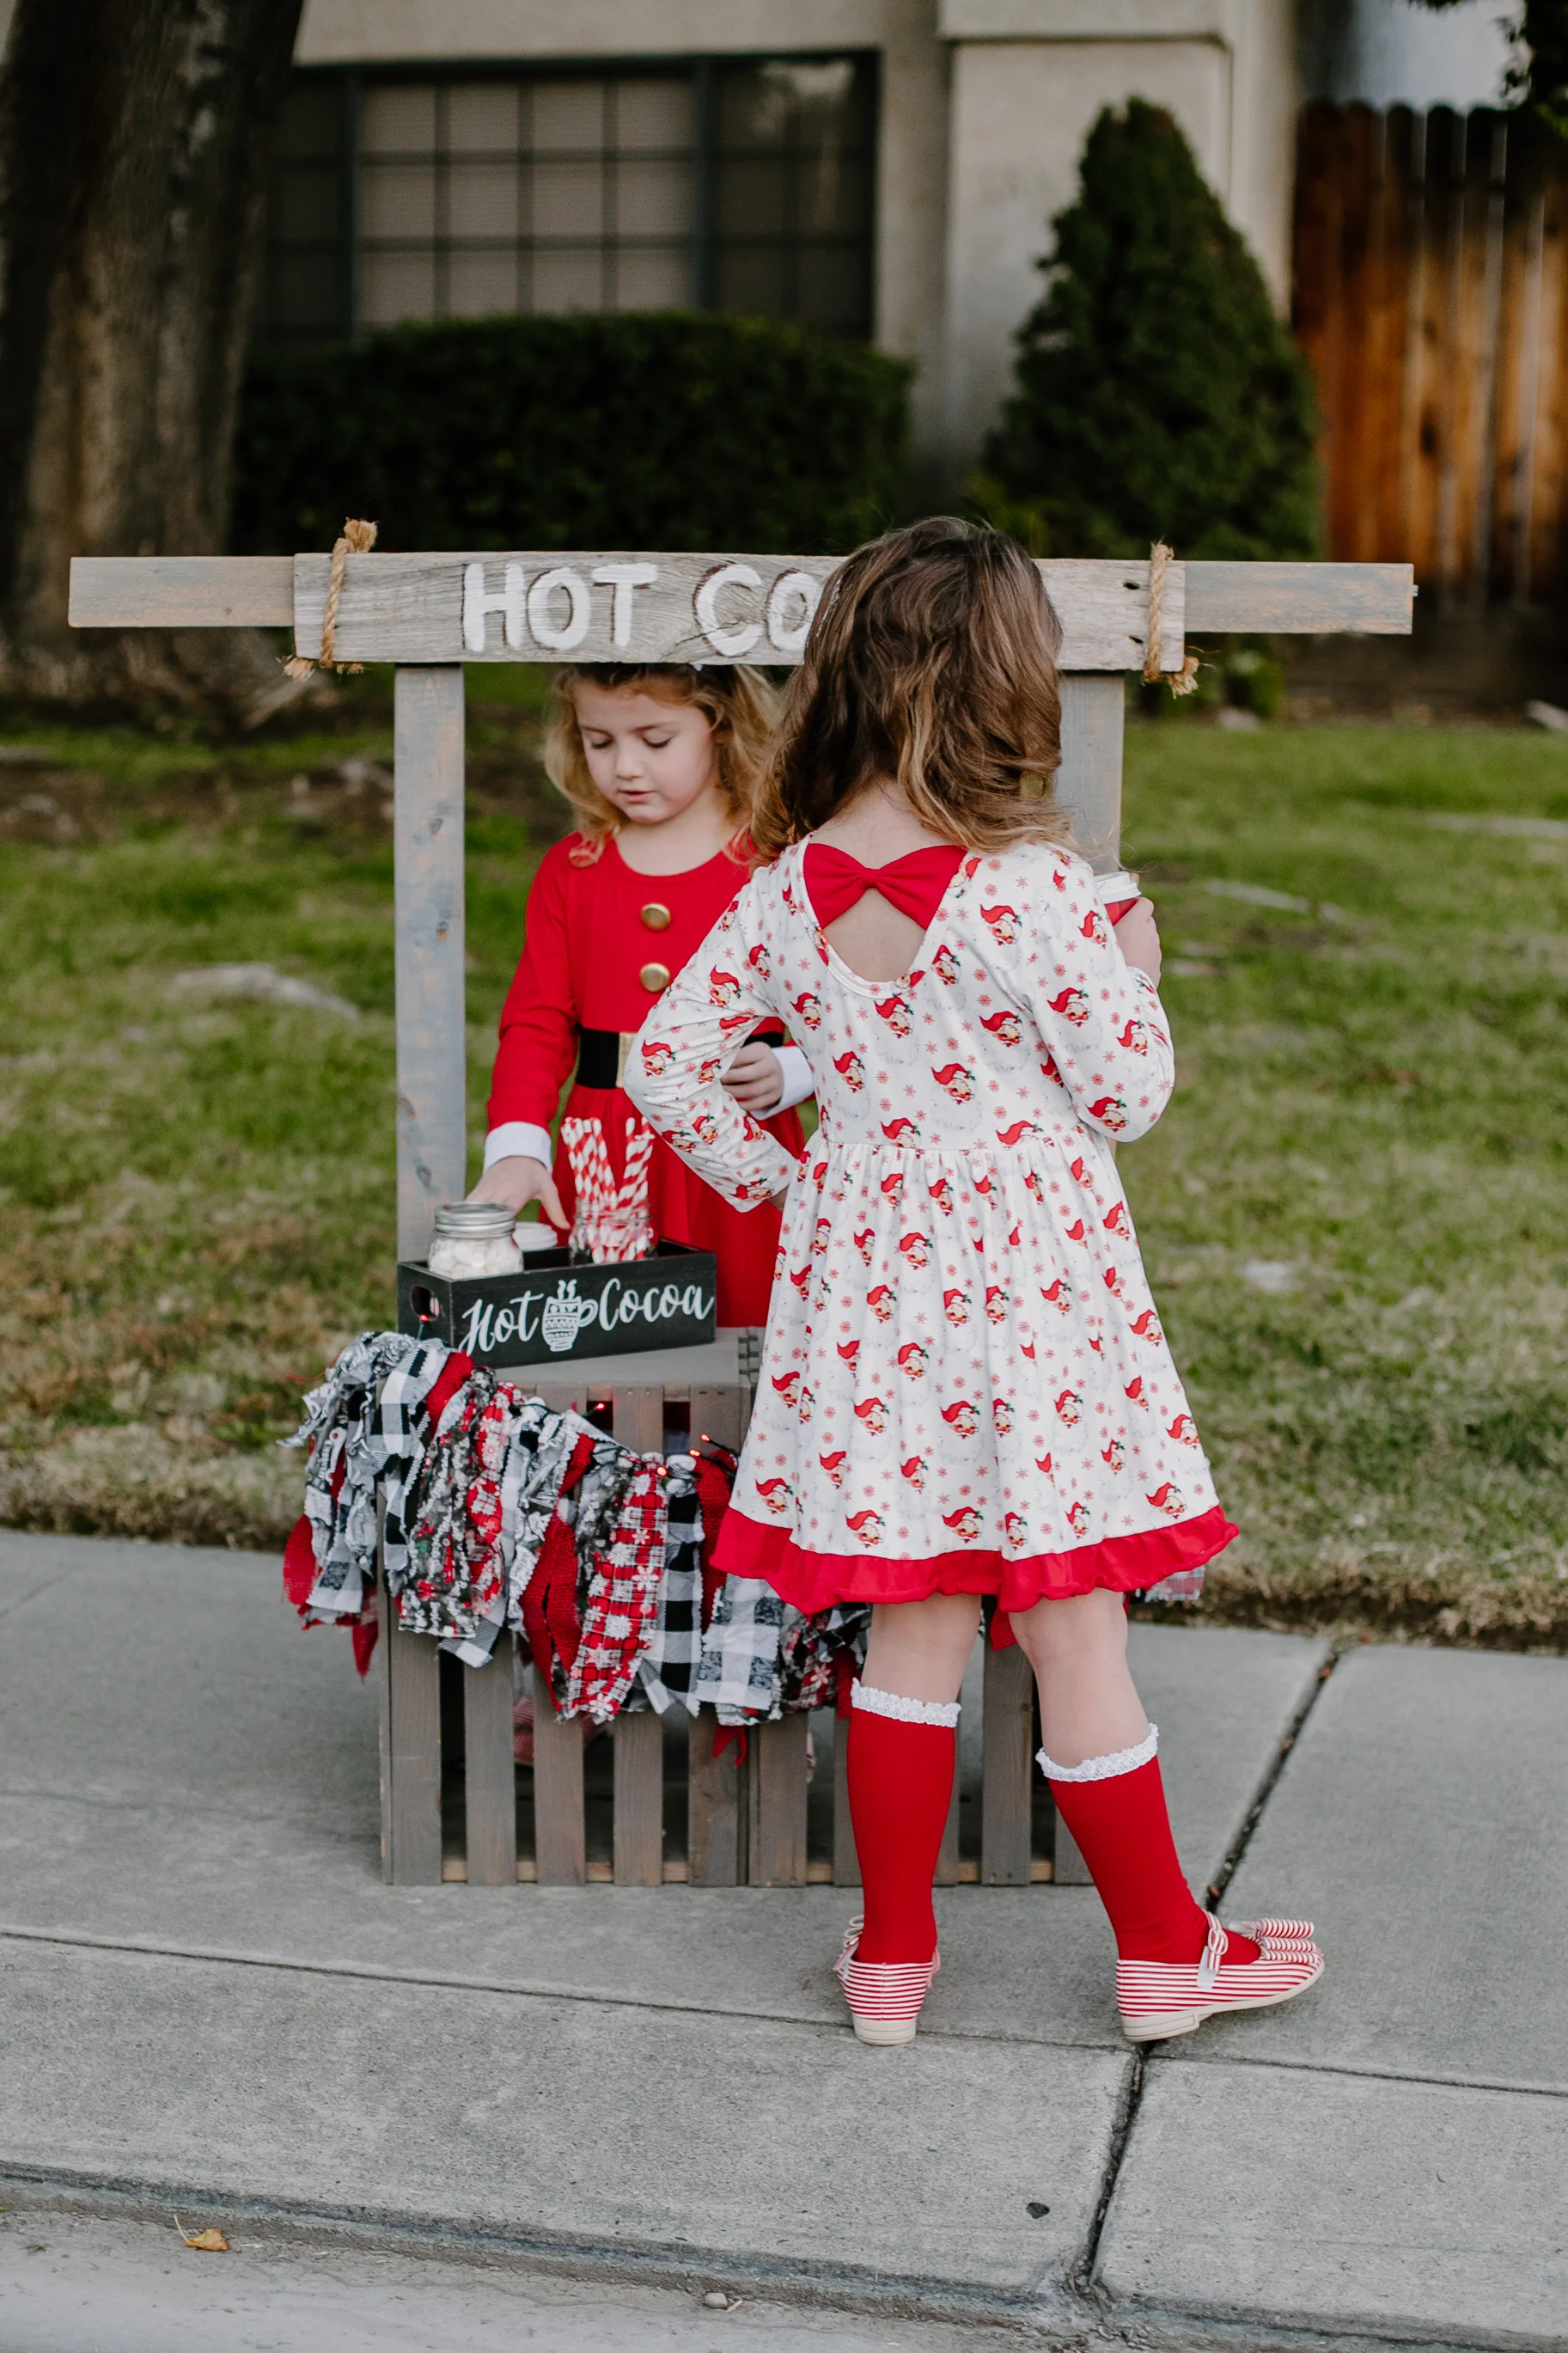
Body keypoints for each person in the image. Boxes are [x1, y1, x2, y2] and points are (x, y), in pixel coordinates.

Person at [627, 519, 1323, 2045]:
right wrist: (1134, 959)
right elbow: (1129, 1092)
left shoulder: (787, 883)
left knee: (914, 1623)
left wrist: (788, 1172)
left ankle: (889, 1956)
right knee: (1072, 1619)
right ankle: (1163, 1948)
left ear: (846, 683)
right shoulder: (1037, 892)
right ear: (1005, 686)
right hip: (1033, 1299)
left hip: (870, 1291)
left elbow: (665, 1065)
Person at [469, 664, 812, 1327]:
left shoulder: (779, 861)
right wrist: (517, 1147)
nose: (625, 766)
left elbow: (851, 1006)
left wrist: (793, 1068)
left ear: (720, 727)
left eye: (655, 741)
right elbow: (537, 1025)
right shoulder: (573, 868)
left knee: (749, 1338)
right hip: (603, 1150)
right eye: (599, 742)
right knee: (603, 1345)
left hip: (740, 1143)